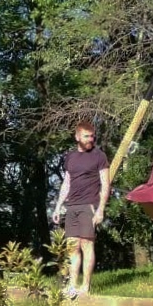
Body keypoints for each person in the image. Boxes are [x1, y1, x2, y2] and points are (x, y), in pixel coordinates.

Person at [51, 121, 109, 296]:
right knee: (72, 246)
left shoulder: (99, 156)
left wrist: (100, 209)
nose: (90, 139)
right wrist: (58, 206)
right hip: (72, 206)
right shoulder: (70, 157)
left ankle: (86, 286)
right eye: (86, 136)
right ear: (77, 137)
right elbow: (67, 183)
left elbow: (105, 184)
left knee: (86, 245)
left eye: (92, 136)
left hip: (89, 205)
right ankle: (72, 286)